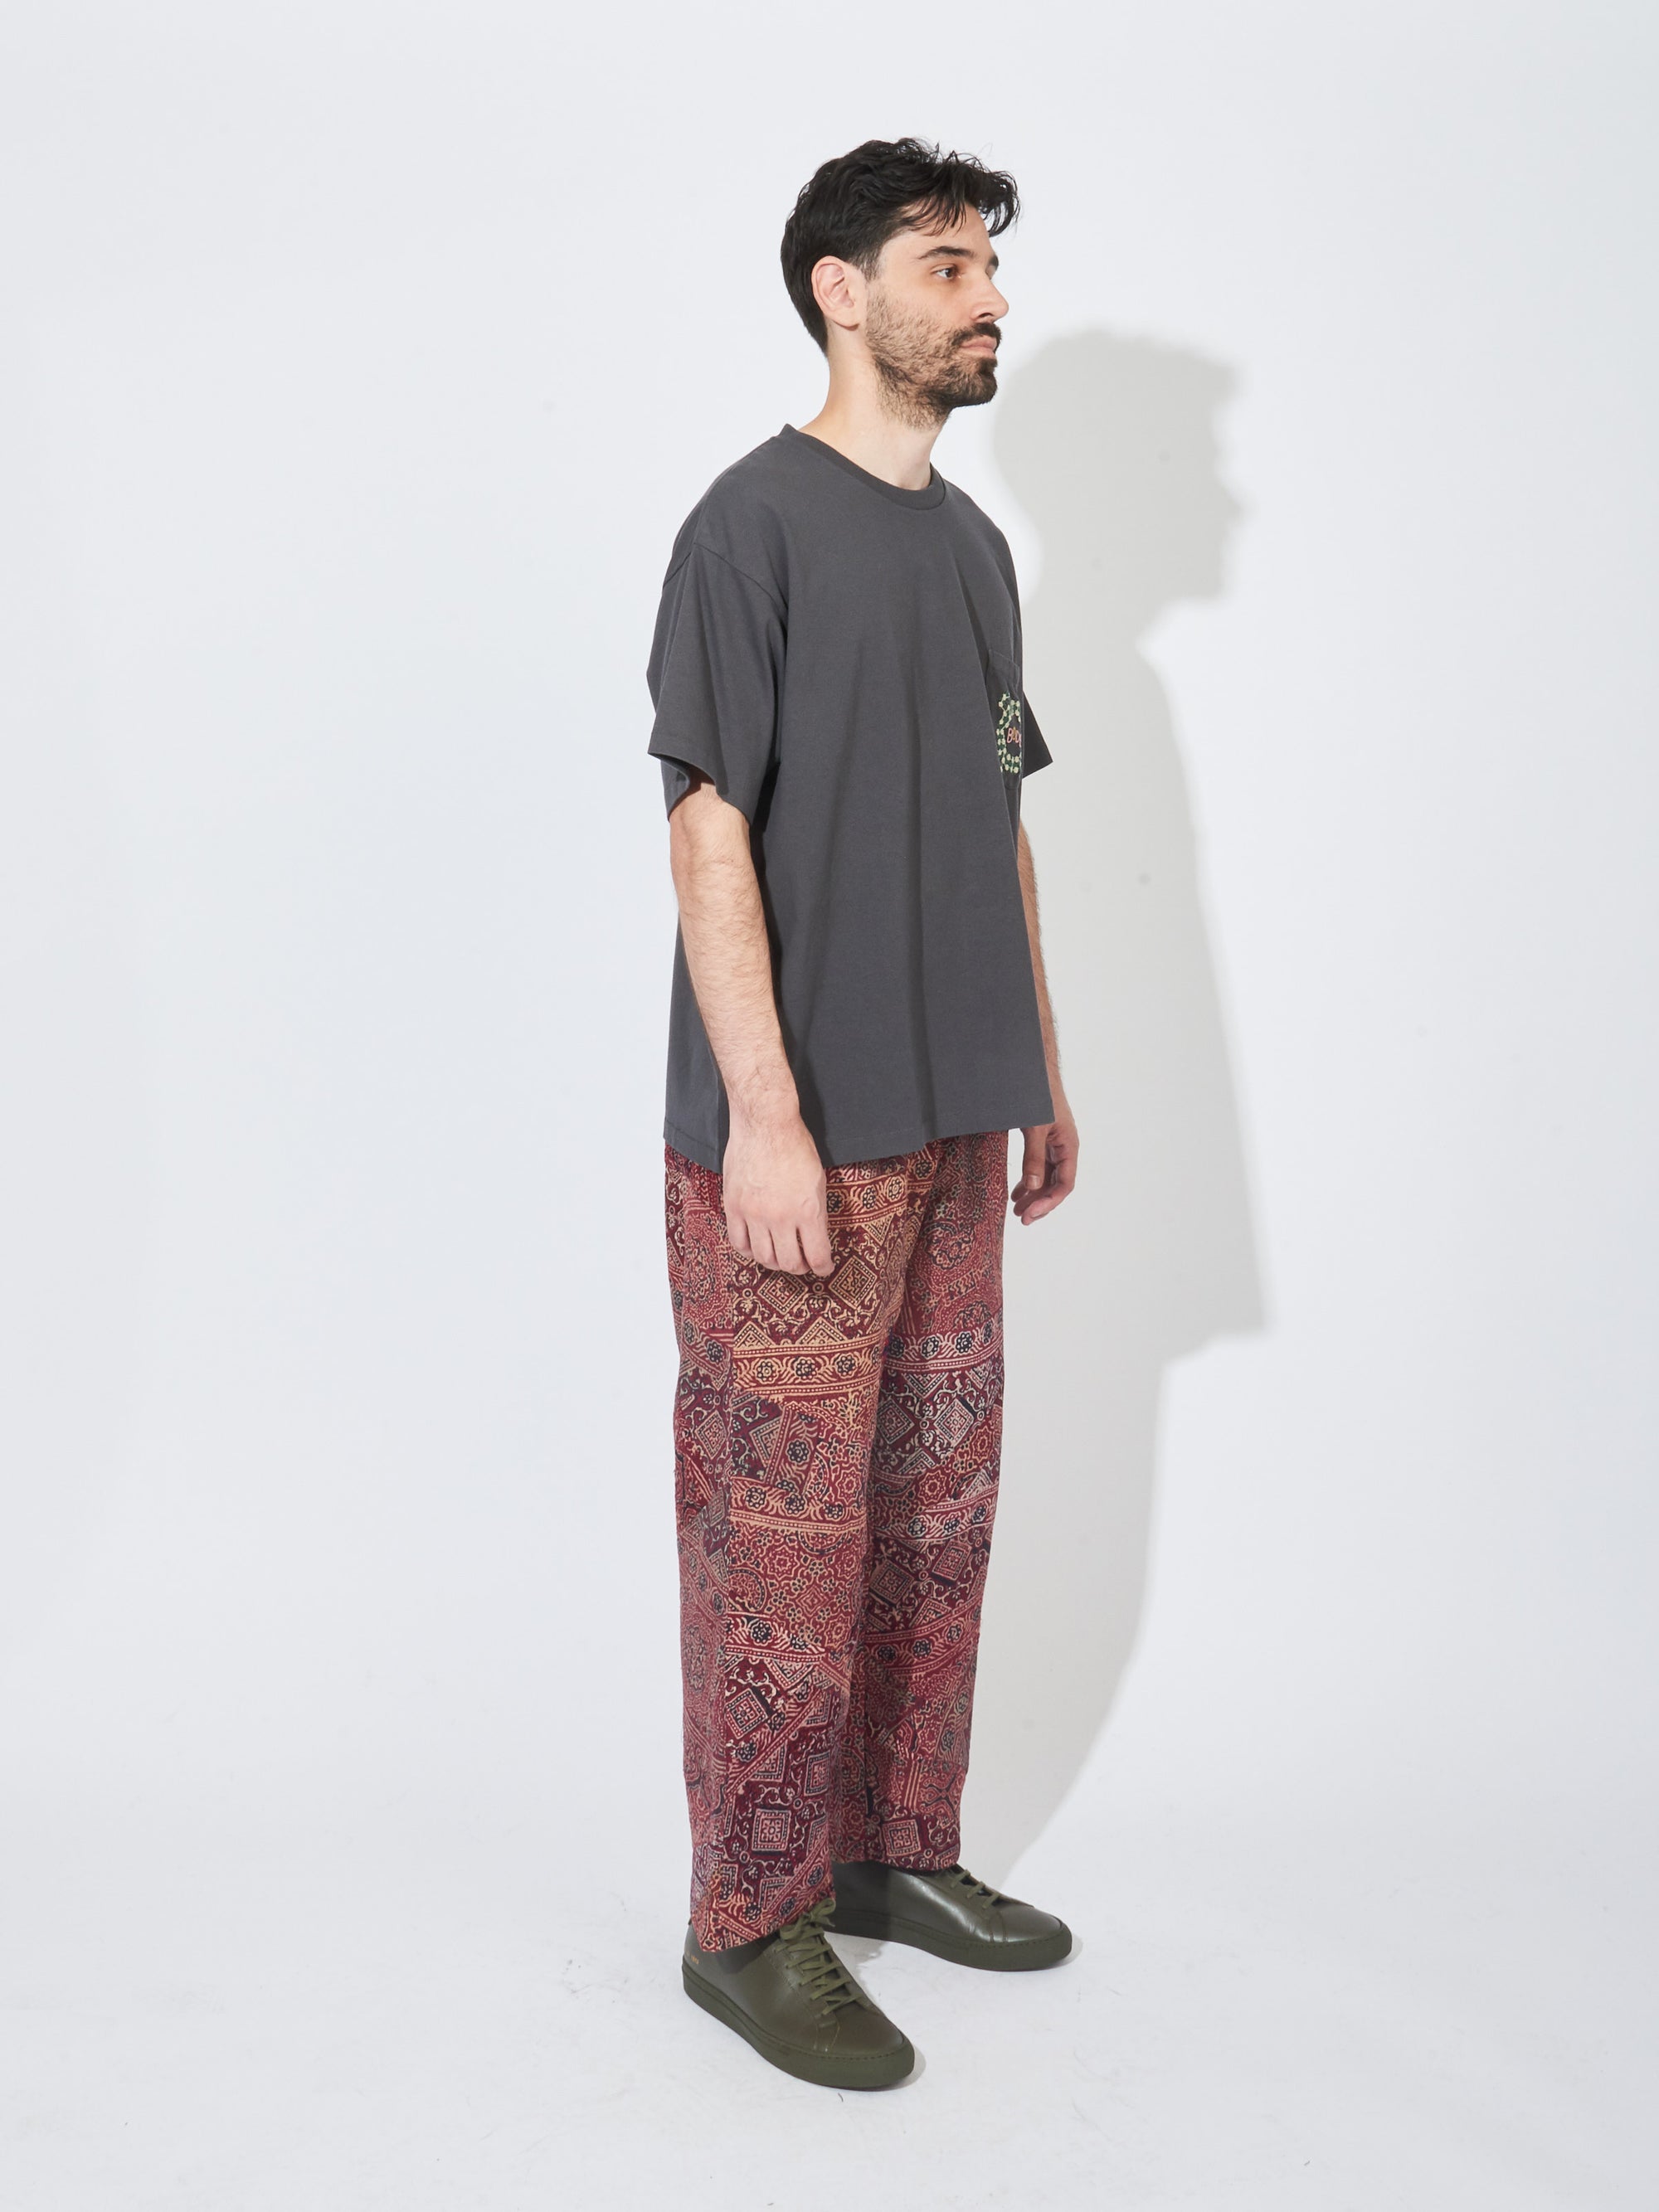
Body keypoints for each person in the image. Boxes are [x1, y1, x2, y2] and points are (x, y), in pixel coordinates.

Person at [646, 136, 1078, 2092]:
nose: (988, 296)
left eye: (988, 263)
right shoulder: (748, 526)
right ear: (842, 290)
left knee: (935, 1511)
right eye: (947, 262)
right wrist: (760, 1112)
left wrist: (1037, 1066)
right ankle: (746, 1920)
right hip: (800, 1138)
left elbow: (1001, 817)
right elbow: (705, 823)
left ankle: (893, 1849)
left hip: (958, 1116)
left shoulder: (974, 549)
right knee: (780, 1538)